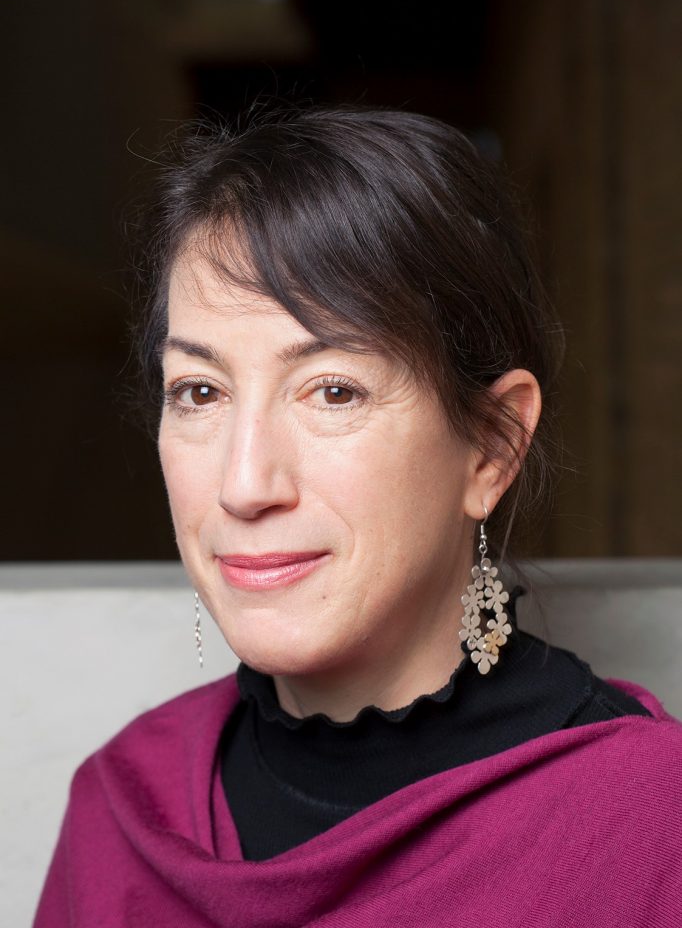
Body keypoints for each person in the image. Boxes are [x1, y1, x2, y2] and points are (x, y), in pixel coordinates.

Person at [34, 106, 682, 927]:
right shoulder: (125, 805)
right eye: (199, 391)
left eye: (334, 391)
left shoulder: (649, 824)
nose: (244, 485)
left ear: (492, 446)